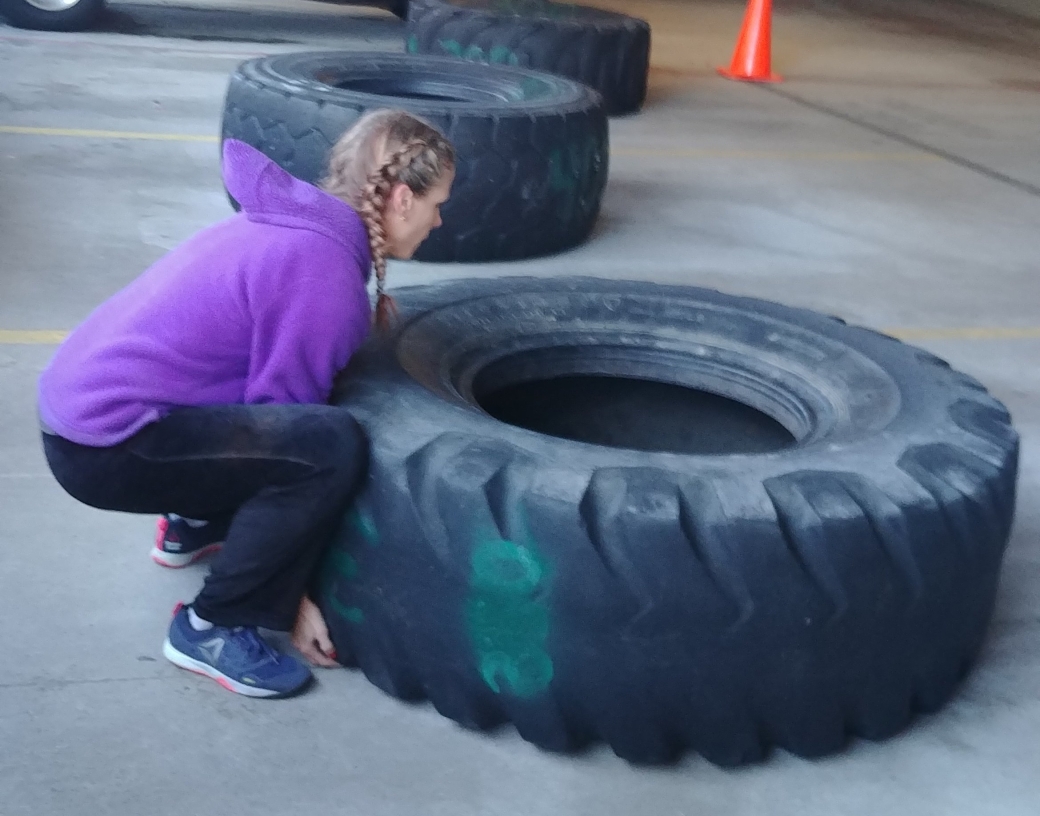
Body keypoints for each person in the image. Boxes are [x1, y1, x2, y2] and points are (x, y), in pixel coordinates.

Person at [36, 109, 456, 699]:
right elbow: (287, 431)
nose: (440, 220)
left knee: (285, 419)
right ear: (403, 200)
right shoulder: (326, 277)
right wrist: (289, 596)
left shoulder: (299, 226)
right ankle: (213, 626)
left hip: (80, 413)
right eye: (439, 203)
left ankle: (193, 523)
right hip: (105, 445)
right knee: (329, 445)